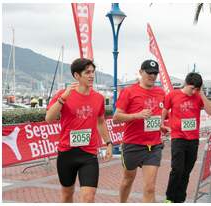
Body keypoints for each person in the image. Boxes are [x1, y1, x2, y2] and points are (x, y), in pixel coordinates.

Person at [45, 58, 113, 203]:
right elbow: (49, 118)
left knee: (88, 197)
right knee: (67, 195)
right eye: (87, 72)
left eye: (93, 72)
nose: (91, 75)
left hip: (88, 154)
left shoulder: (99, 98)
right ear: (77, 75)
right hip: (67, 153)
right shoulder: (63, 94)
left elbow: (100, 122)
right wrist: (62, 99)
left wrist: (108, 143)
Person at [113, 59, 165, 203]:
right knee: (127, 180)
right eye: (149, 73)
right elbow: (116, 117)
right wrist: (137, 115)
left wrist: (161, 126)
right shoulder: (129, 91)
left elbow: (155, 116)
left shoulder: (160, 92)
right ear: (141, 72)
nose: (152, 76)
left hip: (153, 146)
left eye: (155, 73)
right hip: (132, 144)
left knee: (150, 187)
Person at [161, 72, 211, 203]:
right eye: (192, 88)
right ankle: (169, 199)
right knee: (177, 169)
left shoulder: (198, 96)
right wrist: (161, 123)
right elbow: (165, 109)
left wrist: (201, 93)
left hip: (193, 140)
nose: (193, 91)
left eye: (197, 89)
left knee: (186, 171)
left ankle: (180, 200)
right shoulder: (173, 95)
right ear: (186, 83)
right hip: (178, 138)